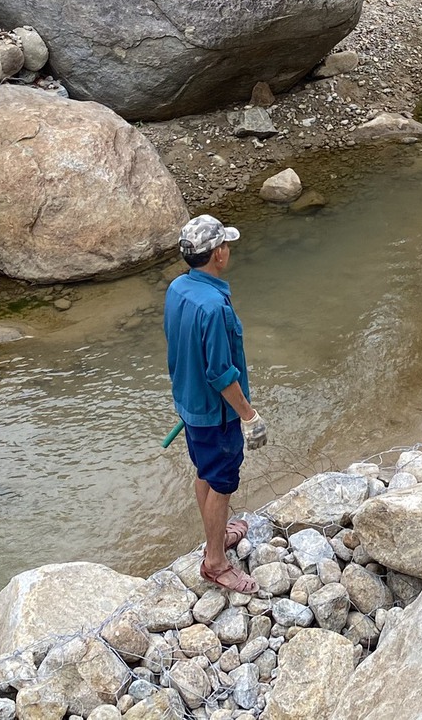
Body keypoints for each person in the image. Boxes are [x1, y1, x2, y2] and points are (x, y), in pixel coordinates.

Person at [164, 215, 268, 593]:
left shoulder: (178, 288)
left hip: (189, 405)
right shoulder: (215, 307)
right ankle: (215, 562)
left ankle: (216, 534)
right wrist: (249, 415)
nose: (228, 250)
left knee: (205, 472)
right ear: (218, 254)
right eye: (225, 244)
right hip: (215, 414)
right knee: (222, 481)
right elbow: (221, 373)